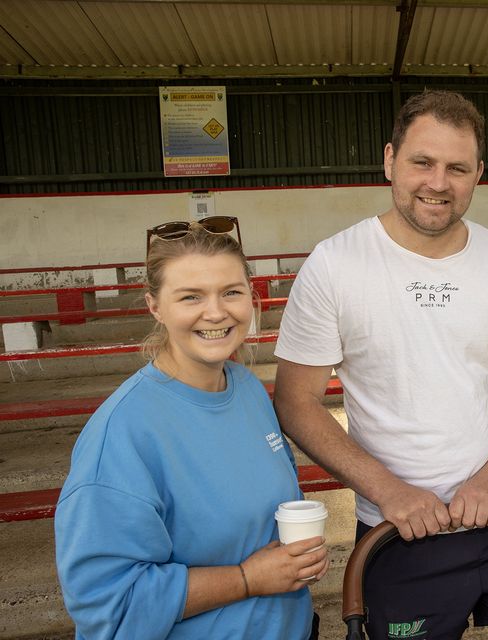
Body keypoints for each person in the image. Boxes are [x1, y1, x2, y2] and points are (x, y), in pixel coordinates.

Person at [273, 90, 488, 639]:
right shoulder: (335, 264)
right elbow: (297, 402)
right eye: (422, 162)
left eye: (457, 168)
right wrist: (390, 492)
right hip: (398, 529)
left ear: (478, 173)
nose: (438, 183)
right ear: (390, 159)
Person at [55, 219, 328, 640]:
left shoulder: (249, 391)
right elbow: (110, 603)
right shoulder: (123, 434)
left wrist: (296, 559)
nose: (216, 312)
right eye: (191, 297)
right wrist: (245, 579)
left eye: (231, 292)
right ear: (155, 306)